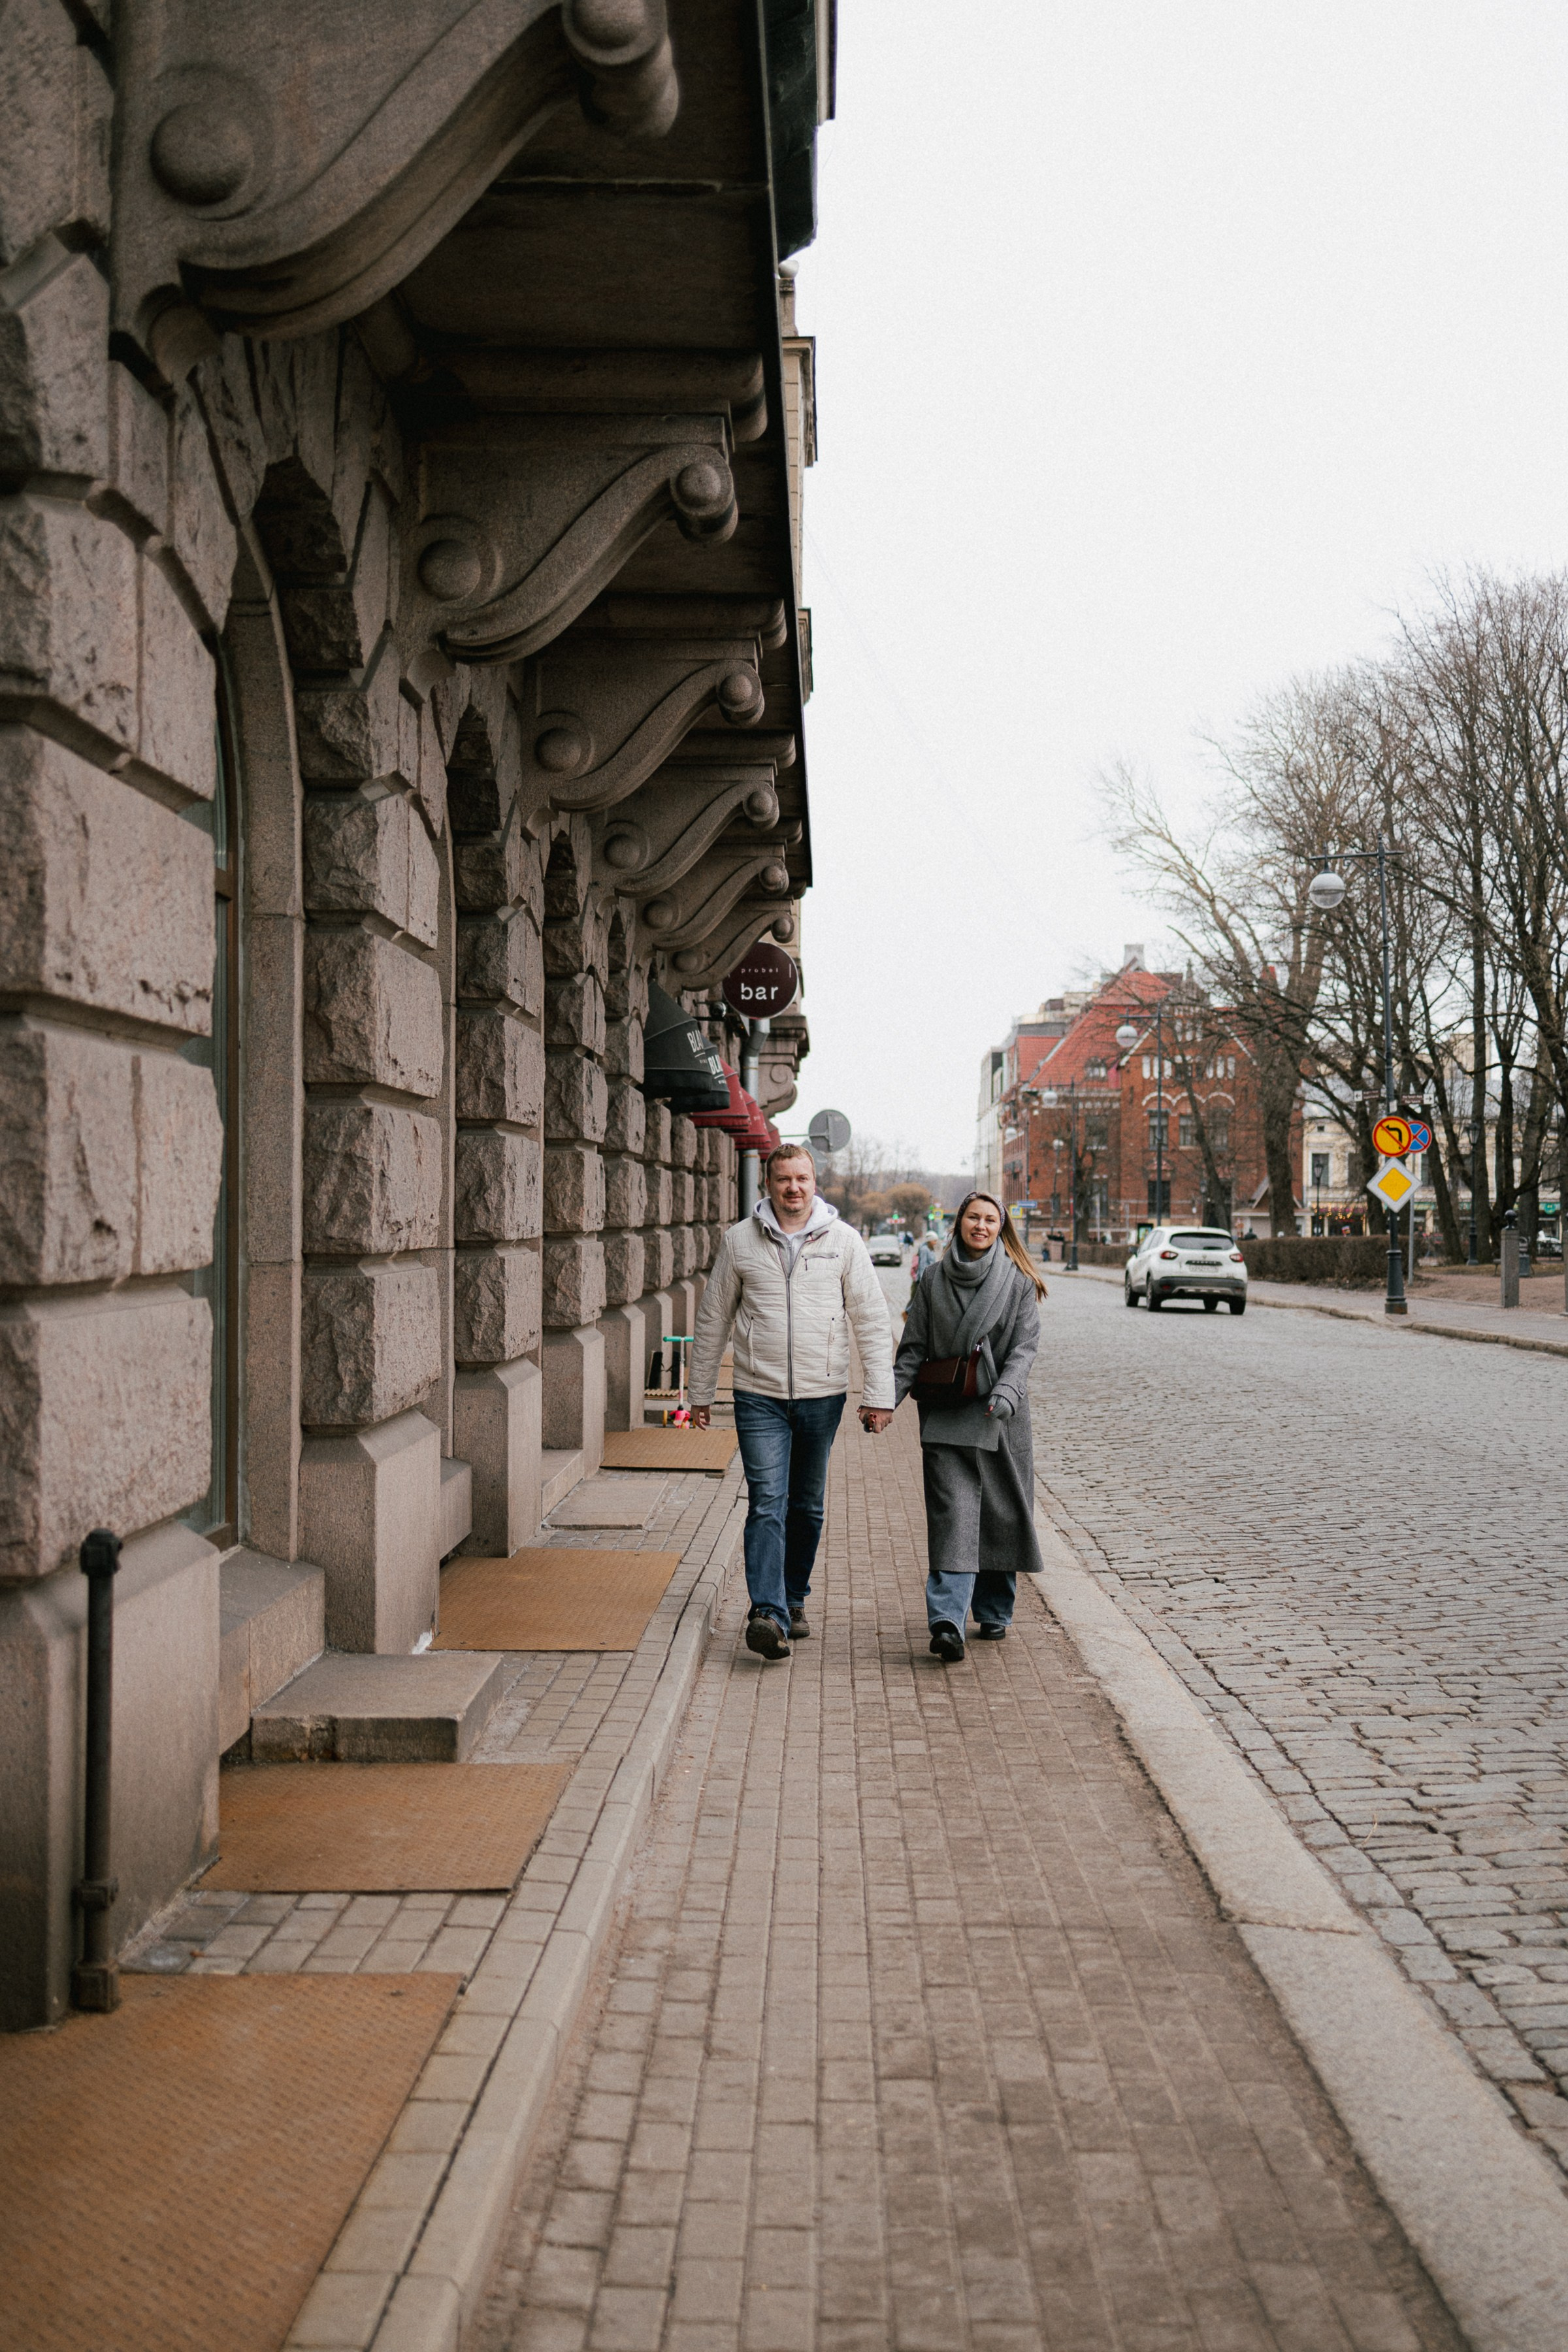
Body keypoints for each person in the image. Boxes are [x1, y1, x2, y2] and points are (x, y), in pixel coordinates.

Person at [690, 1143, 895, 1660]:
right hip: (757, 1394)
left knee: (806, 1506)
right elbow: (713, 1318)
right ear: (768, 1184)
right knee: (766, 1502)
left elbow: (871, 1318)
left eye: (802, 1178)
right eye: (783, 1179)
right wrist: (697, 1395)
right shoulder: (739, 1241)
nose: (793, 1188)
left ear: (814, 1182)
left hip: (822, 1395)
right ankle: (767, 1613)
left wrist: (879, 1395)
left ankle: (794, 1596)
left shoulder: (844, 1242)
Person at [892, 1190, 1047, 1662]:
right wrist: (885, 1402)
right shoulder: (933, 1279)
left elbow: (1024, 1348)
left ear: (1001, 1228)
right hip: (945, 1414)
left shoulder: (1018, 1282)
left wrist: (1006, 1391)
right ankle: (946, 1621)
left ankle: (995, 1609)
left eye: (990, 1219)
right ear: (958, 1221)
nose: (980, 1226)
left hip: (1000, 1416)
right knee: (953, 1520)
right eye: (973, 1217)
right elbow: (913, 1348)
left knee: (1001, 1514)